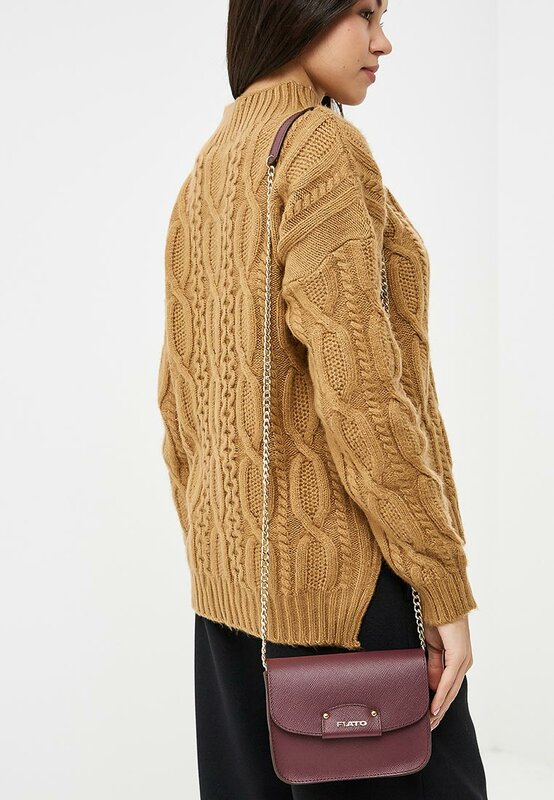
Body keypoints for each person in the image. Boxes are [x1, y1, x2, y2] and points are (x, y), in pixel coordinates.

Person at [157, 1, 489, 797]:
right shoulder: (318, 146)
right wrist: (440, 580)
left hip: (232, 612)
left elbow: (177, 405)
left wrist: (230, 554)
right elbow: (364, 397)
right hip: (348, 604)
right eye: (364, 13)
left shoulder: (211, 165)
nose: (384, 41)